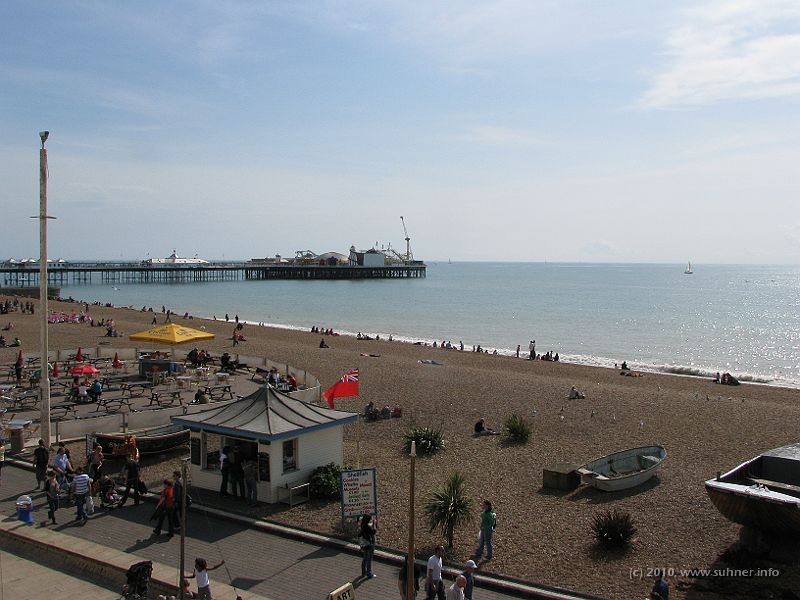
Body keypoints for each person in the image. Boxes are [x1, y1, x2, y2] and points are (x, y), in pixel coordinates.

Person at [359, 514, 377, 579]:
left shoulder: (362, 525)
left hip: (364, 544)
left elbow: (369, 529)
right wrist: (374, 524)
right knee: (369, 559)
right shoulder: (368, 527)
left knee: (365, 558)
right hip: (369, 544)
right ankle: (369, 574)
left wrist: (371, 525)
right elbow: (373, 532)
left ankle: (363, 573)